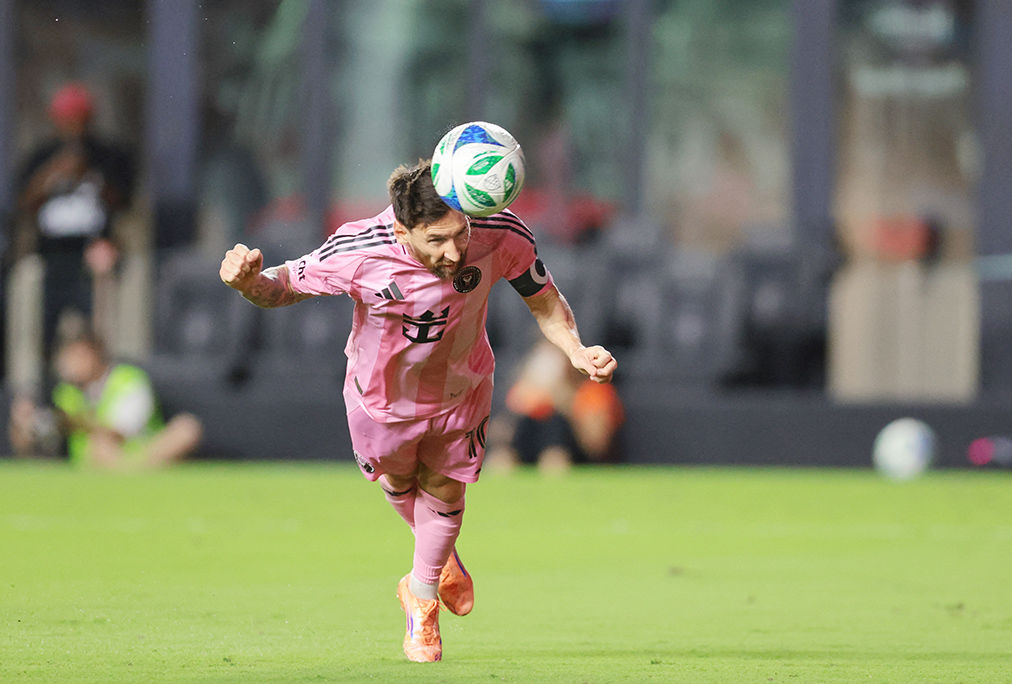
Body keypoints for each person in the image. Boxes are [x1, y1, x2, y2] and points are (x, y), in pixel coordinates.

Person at [219, 159, 617, 662]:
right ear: (404, 230)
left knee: (446, 489)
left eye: (459, 234)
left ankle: (421, 598)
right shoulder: (360, 248)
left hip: (463, 387)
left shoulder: (499, 230)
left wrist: (578, 352)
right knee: (400, 485)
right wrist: (247, 283)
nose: (454, 252)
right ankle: (440, 559)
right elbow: (281, 287)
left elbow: (544, 301)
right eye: (437, 241)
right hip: (380, 400)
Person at [11, 82, 136, 370]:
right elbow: (24, 204)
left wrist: (90, 173)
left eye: (79, 118)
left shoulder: (108, 155)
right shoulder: (41, 156)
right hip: (50, 256)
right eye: (67, 118)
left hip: (93, 257)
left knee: (97, 333)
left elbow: (124, 202)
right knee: (42, 333)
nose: (73, 126)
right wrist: (52, 173)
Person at [8, 333, 203, 470]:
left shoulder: (129, 379)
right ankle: (134, 473)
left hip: (141, 451)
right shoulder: (64, 392)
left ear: (96, 355)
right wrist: (25, 423)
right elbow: (30, 442)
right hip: (96, 460)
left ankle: (133, 470)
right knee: (99, 446)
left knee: (186, 428)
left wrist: (72, 422)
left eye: (79, 356)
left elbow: (121, 432)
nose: (72, 364)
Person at [490, 339, 624, 472]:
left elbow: (597, 446)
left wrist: (563, 400)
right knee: (501, 459)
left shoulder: (593, 391)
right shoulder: (523, 391)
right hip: (525, 452)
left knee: (555, 441)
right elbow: (497, 436)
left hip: (570, 456)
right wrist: (523, 402)